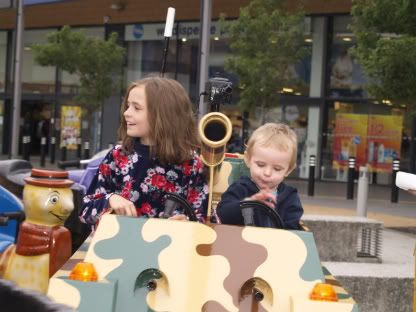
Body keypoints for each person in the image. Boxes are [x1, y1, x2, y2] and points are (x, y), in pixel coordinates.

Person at [80, 77, 208, 230]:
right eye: (127, 106)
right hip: (117, 250)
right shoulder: (117, 156)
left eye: (136, 108)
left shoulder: (192, 164)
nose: (126, 113)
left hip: (169, 251)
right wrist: (110, 199)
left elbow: (205, 221)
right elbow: (85, 210)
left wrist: (188, 223)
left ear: (163, 114)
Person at [216, 123, 303, 230]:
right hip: (241, 243)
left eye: (277, 169)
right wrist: (248, 203)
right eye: (260, 165)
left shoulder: (290, 197)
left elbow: (293, 231)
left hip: (275, 245)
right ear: (248, 159)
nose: (267, 173)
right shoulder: (240, 188)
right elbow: (223, 214)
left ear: (288, 170)